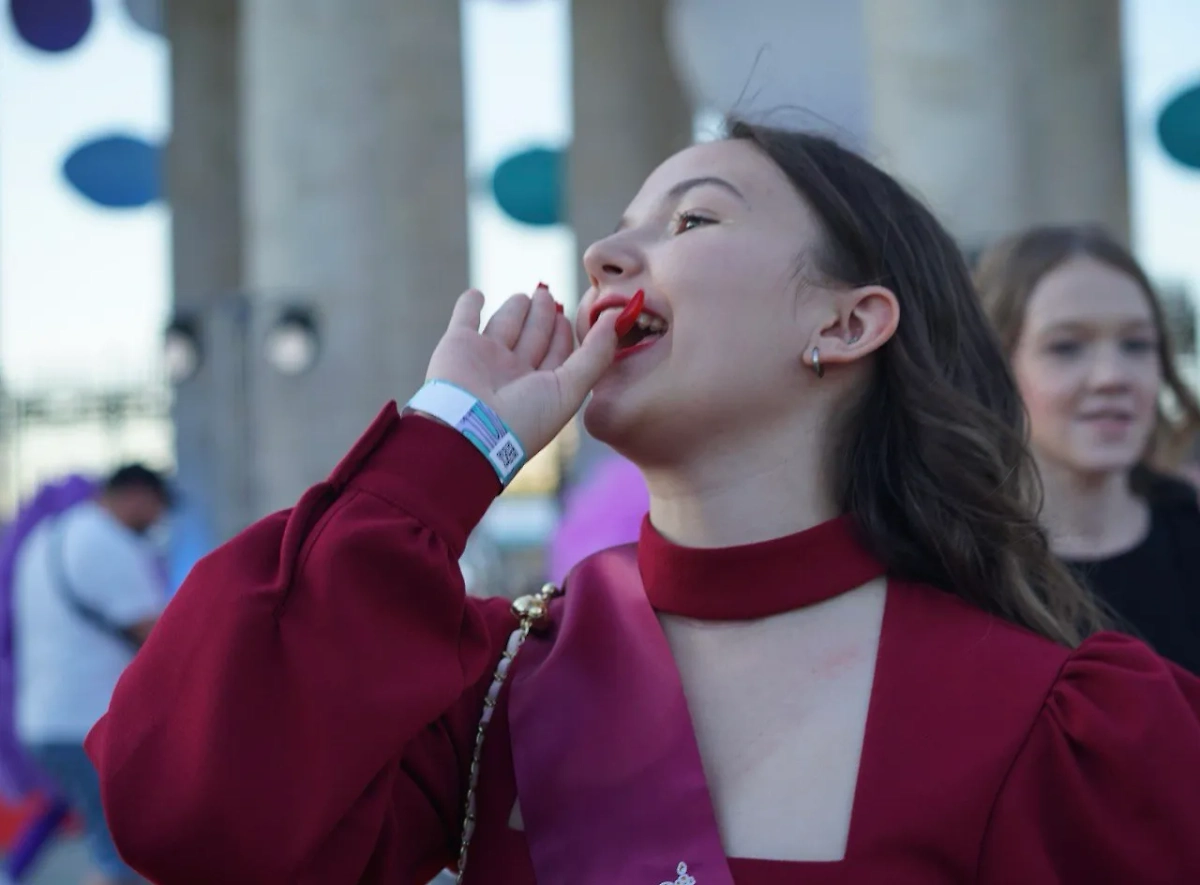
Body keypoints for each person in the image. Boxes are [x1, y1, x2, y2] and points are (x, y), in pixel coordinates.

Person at [88, 124, 1200, 884]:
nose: (607, 253)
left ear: (849, 324)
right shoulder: (490, 685)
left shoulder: (1073, 722)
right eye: (620, 226)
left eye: (694, 222)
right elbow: (189, 814)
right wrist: (447, 446)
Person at [977, 225, 1200, 675]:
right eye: (1067, 347)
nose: (1111, 377)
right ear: (996, 365)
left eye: (1136, 344)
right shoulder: (957, 568)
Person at [16, 465, 170, 885]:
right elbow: (158, 638)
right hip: (89, 724)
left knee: (113, 850)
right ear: (137, 495)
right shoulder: (105, 542)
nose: (158, 522)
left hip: (50, 720)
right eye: (158, 509)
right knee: (126, 859)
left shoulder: (48, 536)